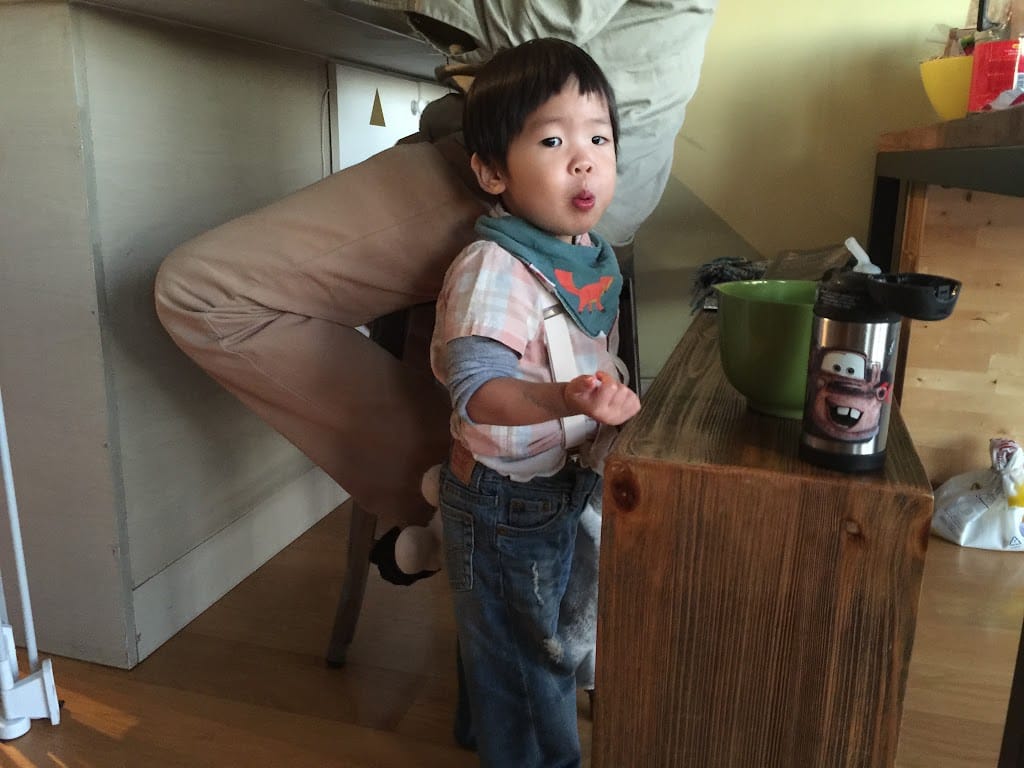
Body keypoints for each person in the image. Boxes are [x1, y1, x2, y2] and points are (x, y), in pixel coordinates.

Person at [153, 2, 716, 534]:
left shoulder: (547, 182)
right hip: (509, 146)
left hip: (537, 172)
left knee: (204, 294)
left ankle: (479, 496)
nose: (589, 154)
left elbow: (533, 21)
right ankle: (484, 490)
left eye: (599, 138)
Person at [430, 38, 640, 767]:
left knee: (511, 632)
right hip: (503, 498)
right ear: (492, 172)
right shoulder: (496, 268)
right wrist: (564, 397)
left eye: (598, 139)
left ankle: (484, 729)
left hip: (553, 483)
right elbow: (478, 392)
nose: (583, 160)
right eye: (553, 141)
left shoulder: (583, 257)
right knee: (530, 654)